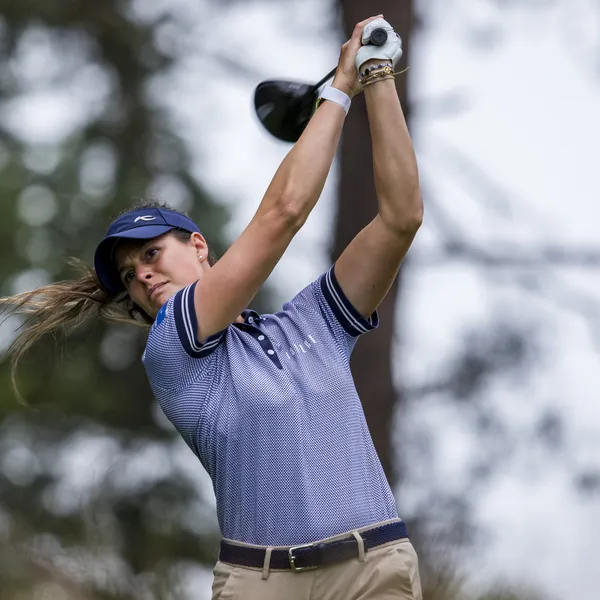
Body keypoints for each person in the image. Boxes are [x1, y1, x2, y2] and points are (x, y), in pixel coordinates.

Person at [2, 15, 424, 600]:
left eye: (151, 254)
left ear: (198, 247)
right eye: (129, 276)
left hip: (373, 569)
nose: (142, 276)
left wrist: (377, 74)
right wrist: (339, 90)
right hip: (261, 583)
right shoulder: (172, 348)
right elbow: (284, 213)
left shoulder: (312, 324)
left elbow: (401, 218)